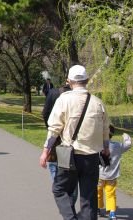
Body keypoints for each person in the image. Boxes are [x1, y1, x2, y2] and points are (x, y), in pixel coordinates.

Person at [39, 65, 110, 220]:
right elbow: (106, 130)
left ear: (69, 81)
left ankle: (70, 218)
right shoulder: (98, 102)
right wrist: (106, 148)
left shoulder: (64, 99)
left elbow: (54, 129)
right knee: (88, 197)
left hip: (68, 153)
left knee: (60, 189)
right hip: (91, 155)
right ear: (87, 80)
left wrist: (46, 150)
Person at [41, 76, 78, 206]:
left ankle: (60, 192)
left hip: (55, 137)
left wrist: (51, 129)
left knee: (54, 164)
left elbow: (45, 113)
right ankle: (70, 198)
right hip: (73, 138)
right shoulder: (80, 96)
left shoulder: (53, 93)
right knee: (71, 168)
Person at [97, 125, 132, 219]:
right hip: (112, 175)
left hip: (99, 175)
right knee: (111, 194)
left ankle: (98, 208)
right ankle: (112, 212)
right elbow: (128, 144)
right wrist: (126, 136)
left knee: (98, 192)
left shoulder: (98, 145)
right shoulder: (117, 146)